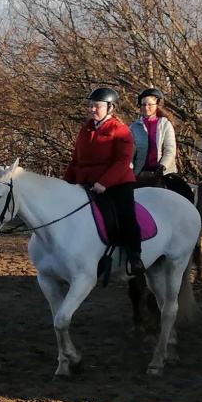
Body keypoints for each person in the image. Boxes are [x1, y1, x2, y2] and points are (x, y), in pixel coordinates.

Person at [63, 87, 142, 276]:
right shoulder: (86, 129)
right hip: (86, 181)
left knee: (126, 215)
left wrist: (104, 183)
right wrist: (64, 184)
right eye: (90, 105)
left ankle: (134, 256)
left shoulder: (120, 130)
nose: (92, 109)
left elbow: (123, 161)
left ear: (110, 108)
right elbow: (75, 161)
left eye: (96, 106)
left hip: (117, 182)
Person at [130, 87, 177, 186]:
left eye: (150, 105)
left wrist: (162, 166)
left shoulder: (165, 124)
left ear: (157, 105)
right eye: (143, 105)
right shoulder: (134, 127)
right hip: (140, 172)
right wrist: (129, 168)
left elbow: (170, 148)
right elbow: (130, 150)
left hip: (163, 172)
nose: (146, 108)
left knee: (184, 191)